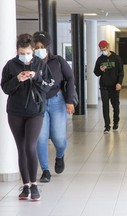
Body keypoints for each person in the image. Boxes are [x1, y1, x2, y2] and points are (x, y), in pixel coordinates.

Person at [1, 33, 54, 201]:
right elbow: (6, 88)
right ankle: (26, 186)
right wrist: (17, 79)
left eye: (28, 53)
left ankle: (34, 185)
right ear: (17, 51)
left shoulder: (40, 64)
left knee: (30, 146)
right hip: (15, 112)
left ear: (33, 50)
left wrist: (35, 76)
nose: (25, 56)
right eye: (21, 53)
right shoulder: (10, 66)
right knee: (21, 148)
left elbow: (49, 85)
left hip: (35, 111)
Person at [33, 31, 75, 183]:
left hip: (57, 101)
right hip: (38, 103)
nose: (39, 49)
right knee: (41, 138)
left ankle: (59, 156)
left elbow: (70, 78)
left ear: (47, 47)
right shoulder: (31, 63)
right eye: (36, 47)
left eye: (42, 46)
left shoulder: (57, 61)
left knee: (59, 138)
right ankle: (45, 170)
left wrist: (69, 101)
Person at [93, 40, 124, 134]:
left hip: (114, 87)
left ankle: (116, 123)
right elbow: (96, 73)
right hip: (104, 87)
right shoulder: (100, 59)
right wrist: (100, 70)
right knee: (105, 106)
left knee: (115, 106)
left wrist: (119, 83)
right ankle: (107, 126)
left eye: (105, 48)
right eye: (101, 49)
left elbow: (121, 72)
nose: (103, 50)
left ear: (108, 47)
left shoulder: (116, 58)